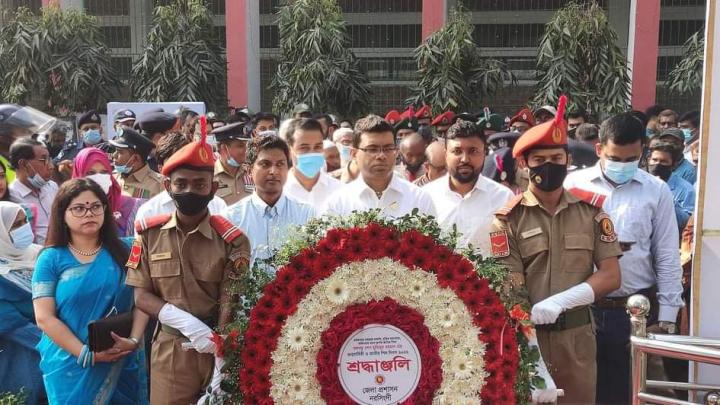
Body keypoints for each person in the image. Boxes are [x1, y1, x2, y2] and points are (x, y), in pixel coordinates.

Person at [491, 96, 622, 404]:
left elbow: (611, 276)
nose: (549, 166)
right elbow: (512, 293)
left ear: (567, 160)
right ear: (524, 165)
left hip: (577, 339)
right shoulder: (507, 220)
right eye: (539, 160)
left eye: (556, 157)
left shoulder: (592, 213)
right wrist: (534, 362)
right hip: (527, 340)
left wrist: (563, 301)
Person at [564, 112, 683, 405]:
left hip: (633, 311)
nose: (623, 166)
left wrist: (667, 317)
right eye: (615, 158)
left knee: (623, 394)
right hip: (580, 309)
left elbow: (667, 253)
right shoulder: (571, 187)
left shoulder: (656, 191)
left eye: (631, 159)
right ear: (599, 149)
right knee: (579, 391)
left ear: (642, 149)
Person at [126, 130, 251, 405]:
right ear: (167, 185)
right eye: (181, 183)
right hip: (171, 349)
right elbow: (141, 296)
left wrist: (221, 355)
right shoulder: (149, 234)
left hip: (221, 348)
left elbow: (233, 298)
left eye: (199, 184)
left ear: (213, 188)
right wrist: (187, 323)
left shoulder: (233, 240)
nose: (189, 191)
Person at [31, 179, 148, 404]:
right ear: (62, 214)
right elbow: (44, 317)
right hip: (70, 364)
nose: (89, 214)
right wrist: (87, 354)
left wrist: (133, 339)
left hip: (122, 357)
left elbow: (143, 296)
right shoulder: (50, 258)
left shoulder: (131, 249)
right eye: (78, 208)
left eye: (96, 206)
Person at [222, 135, 314, 269]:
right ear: (248, 170)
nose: (273, 171)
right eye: (265, 164)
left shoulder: (306, 213)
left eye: (280, 164)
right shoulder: (231, 218)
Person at [425, 120, 513, 256]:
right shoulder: (427, 196)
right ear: (446, 154)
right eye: (457, 151)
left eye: (473, 151)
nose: (465, 159)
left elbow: (506, 254)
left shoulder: (503, 198)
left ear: (484, 153)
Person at [323, 115, 436, 218]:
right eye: (372, 149)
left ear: (396, 152)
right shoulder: (337, 203)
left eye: (388, 148)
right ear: (354, 154)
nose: (381, 156)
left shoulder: (419, 199)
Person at [0, 201, 45, 405]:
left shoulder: (39, 254)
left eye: (25, 221)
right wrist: (62, 345)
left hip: (60, 351)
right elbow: (12, 324)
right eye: (16, 225)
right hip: (20, 359)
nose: (24, 228)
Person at [135, 132, 227, 221]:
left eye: (188, 159)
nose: (182, 167)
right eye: (174, 163)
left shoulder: (218, 206)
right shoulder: (149, 212)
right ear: (161, 169)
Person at [72, 147, 144, 237]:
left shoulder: (131, 207)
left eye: (104, 172)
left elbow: (139, 246)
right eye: (91, 173)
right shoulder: (68, 208)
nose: (99, 178)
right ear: (79, 174)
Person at [9, 138, 58, 244]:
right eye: (43, 160)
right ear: (23, 164)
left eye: (50, 159)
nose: (51, 166)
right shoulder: (11, 197)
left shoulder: (52, 187)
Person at [283, 118, 342, 207]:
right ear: (289, 150)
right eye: (304, 148)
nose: (312, 153)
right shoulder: (280, 192)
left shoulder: (339, 191)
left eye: (317, 147)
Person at [646, 142, 695, 235]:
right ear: (649, 160)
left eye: (663, 161)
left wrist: (665, 198)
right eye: (654, 160)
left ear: (673, 164)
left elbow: (686, 222)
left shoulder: (686, 190)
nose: (657, 164)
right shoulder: (640, 183)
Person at [111, 128, 164, 200]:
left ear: (135, 158)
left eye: (120, 152)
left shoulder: (159, 185)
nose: (114, 155)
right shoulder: (112, 178)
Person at [212, 122, 253, 205]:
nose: (246, 150)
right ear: (224, 148)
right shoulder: (210, 177)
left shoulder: (250, 173)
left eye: (246, 145)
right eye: (240, 146)